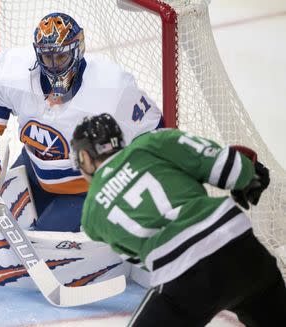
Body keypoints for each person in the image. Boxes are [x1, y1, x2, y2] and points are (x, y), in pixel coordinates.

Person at [0, 12, 163, 289]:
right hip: (34, 171)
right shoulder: (13, 72)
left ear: (78, 47)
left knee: (41, 250)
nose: (54, 65)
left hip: (85, 186)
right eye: (47, 57)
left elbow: (153, 133)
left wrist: (128, 194)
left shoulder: (113, 87)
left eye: (60, 56)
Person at [70, 113, 286, 326]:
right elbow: (227, 168)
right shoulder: (150, 143)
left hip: (185, 279)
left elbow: (142, 259)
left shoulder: (91, 216)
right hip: (240, 247)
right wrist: (249, 174)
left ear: (85, 158)